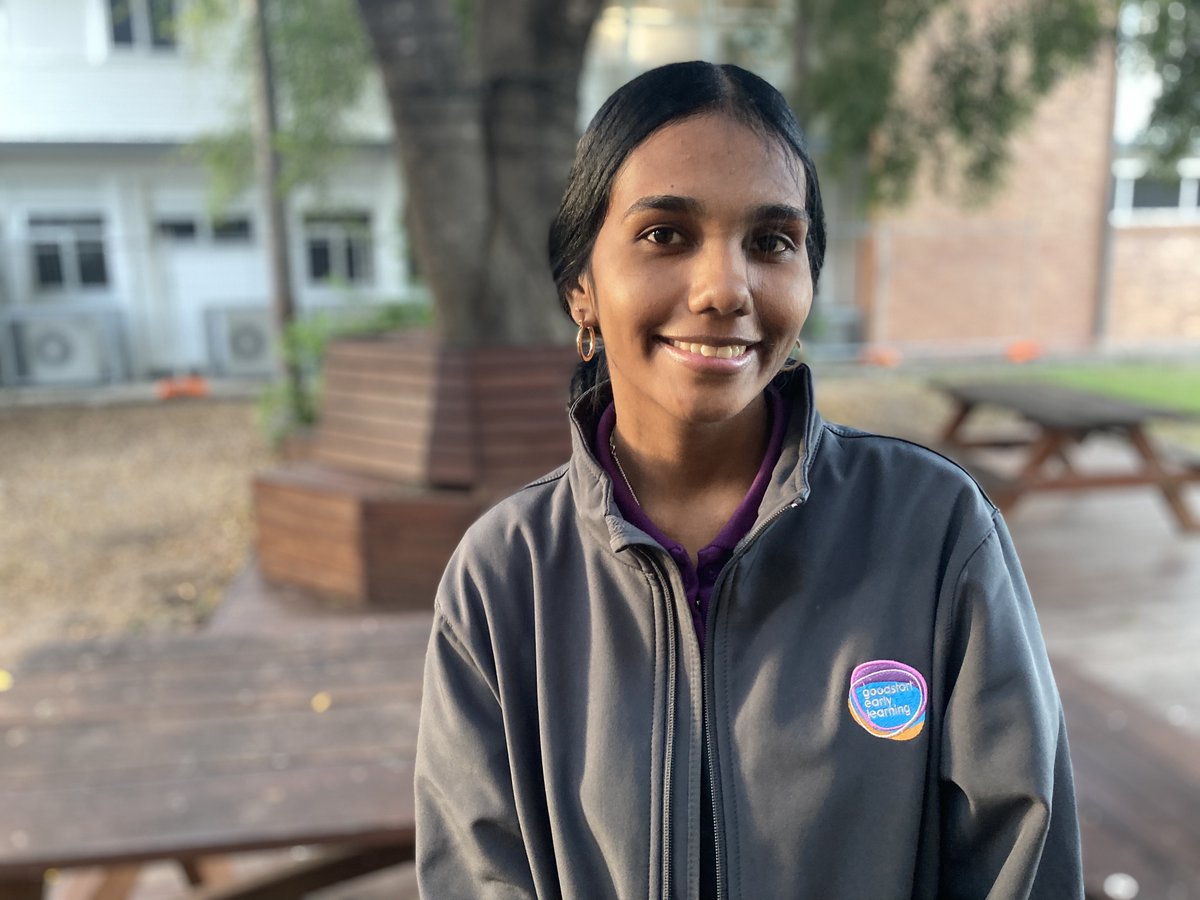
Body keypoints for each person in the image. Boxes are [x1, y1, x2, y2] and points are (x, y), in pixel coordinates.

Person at [414, 60, 1082, 899]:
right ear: (582, 285)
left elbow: (1020, 863)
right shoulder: (503, 577)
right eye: (665, 235)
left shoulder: (937, 533)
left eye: (771, 242)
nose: (725, 288)